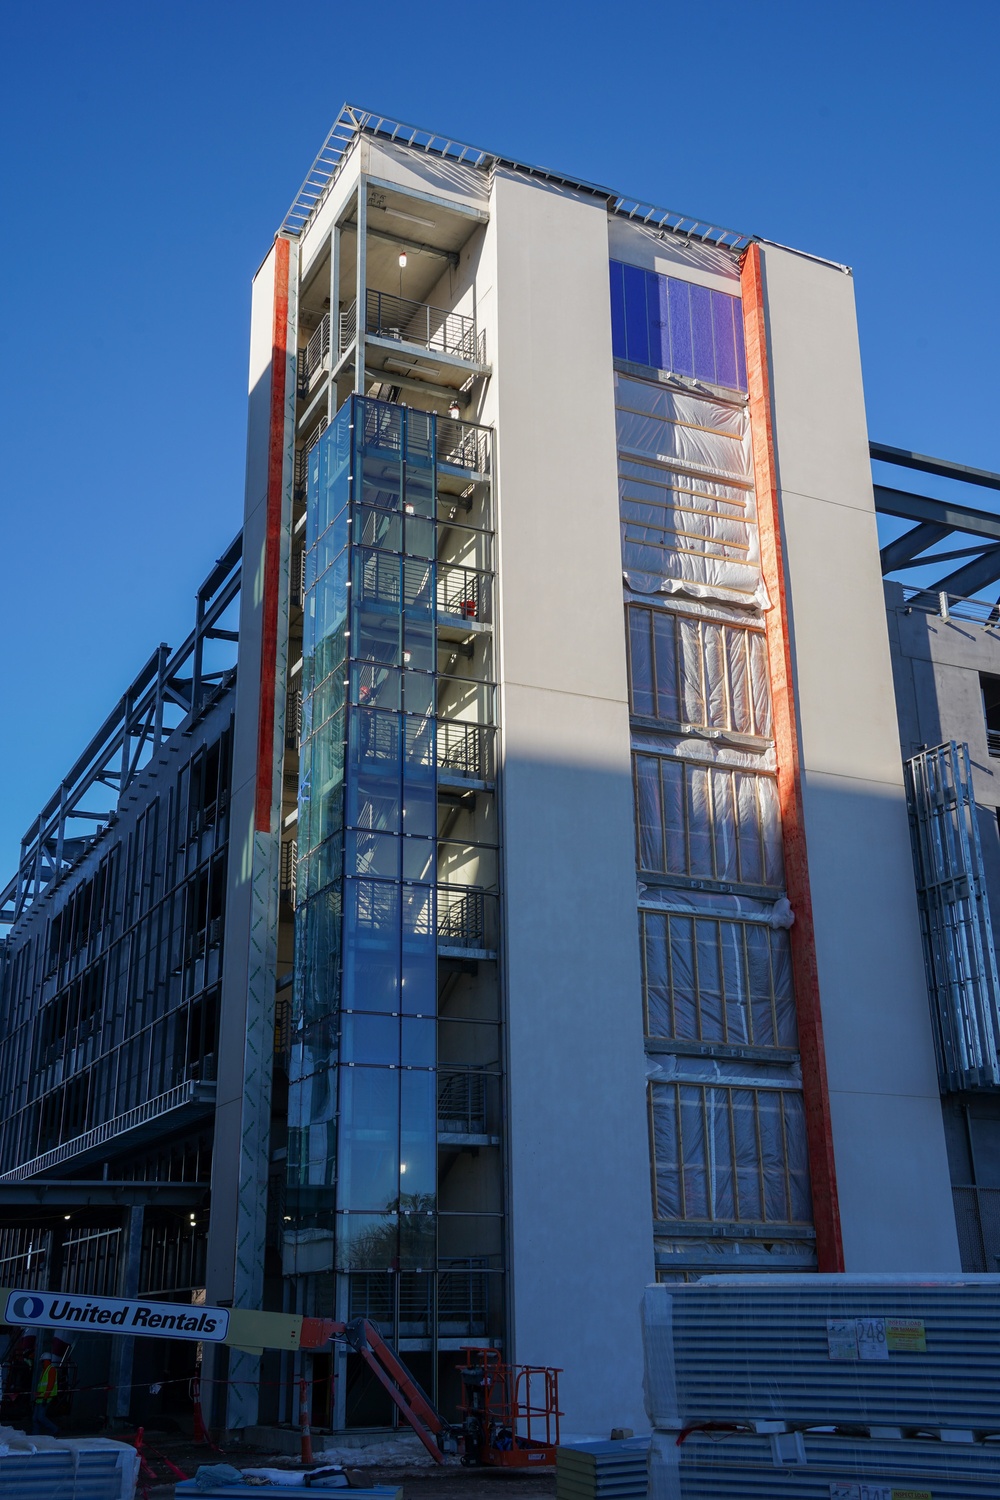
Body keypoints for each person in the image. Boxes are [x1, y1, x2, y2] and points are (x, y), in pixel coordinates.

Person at [32, 1355, 59, 1437]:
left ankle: (54, 1429)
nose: (41, 1363)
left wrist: (45, 1398)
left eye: (42, 1361)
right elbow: (42, 1386)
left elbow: (50, 1385)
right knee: (35, 1418)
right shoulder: (45, 1370)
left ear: (46, 1360)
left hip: (45, 1398)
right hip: (40, 1398)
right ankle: (35, 1435)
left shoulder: (51, 1370)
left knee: (40, 1417)